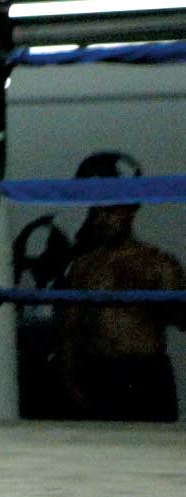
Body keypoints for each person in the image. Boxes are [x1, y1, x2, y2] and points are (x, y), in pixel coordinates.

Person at [59, 153, 182, 422]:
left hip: (146, 371)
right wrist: (70, 375)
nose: (104, 218)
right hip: (99, 371)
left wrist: (161, 296)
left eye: (112, 209)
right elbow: (71, 327)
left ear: (130, 208)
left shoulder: (157, 264)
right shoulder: (84, 266)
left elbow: (182, 319)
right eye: (99, 210)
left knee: (154, 454)